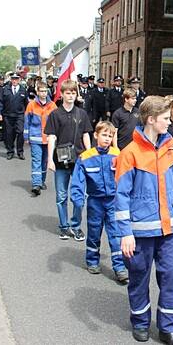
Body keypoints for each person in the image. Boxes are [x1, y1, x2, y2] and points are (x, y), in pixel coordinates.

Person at [115, 96, 173, 345]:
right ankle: (141, 322)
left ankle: (167, 328)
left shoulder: (170, 148)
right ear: (151, 120)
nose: (170, 122)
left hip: (167, 230)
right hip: (140, 233)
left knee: (171, 277)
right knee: (139, 277)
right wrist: (125, 233)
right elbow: (121, 197)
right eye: (166, 118)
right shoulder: (130, 153)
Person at [70, 121, 129, 284]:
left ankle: (119, 267)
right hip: (95, 201)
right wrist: (77, 198)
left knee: (116, 235)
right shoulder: (85, 157)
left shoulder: (118, 154)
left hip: (113, 202)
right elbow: (77, 180)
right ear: (95, 136)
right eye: (104, 135)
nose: (107, 139)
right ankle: (92, 261)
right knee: (94, 233)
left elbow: (126, 178)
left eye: (110, 136)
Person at [45, 79, 94, 241]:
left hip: (79, 160)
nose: (71, 95)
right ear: (62, 94)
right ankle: (64, 226)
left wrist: (89, 154)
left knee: (79, 197)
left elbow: (86, 134)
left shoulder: (82, 113)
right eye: (68, 92)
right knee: (61, 196)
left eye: (74, 92)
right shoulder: (55, 114)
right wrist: (50, 160)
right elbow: (52, 137)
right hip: (60, 160)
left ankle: (76, 225)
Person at [24, 81, 58, 196]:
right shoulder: (31, 105)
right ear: (37, 92)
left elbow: (56, 122)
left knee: (45, 161)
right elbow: (27, 121)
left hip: (48, 139)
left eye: (45, 91)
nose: (43, 93)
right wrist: (26, 136)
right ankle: (36, 184)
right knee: (36, 161)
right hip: (35, 137)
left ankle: (42, 181)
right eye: (41, 91)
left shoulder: (52, 105)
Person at [0, 73, 28, 160]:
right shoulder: (5, 89)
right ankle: (10, 151)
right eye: (13, 79)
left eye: (16, 79)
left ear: (19, 80)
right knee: (9, 134)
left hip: (19, 115)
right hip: (8, 115)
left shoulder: (23, 90)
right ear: (11, 79)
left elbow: (26, 103)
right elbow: (0, 102)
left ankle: (20, 152)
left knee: (20, 132)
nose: (14, 81)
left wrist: (27, 114)